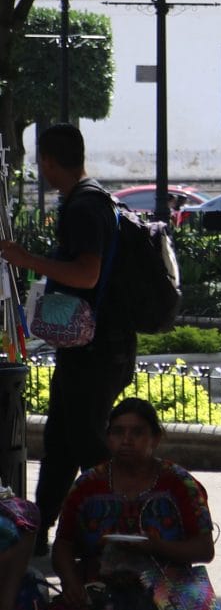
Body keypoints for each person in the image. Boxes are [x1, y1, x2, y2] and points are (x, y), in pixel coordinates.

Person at [0, 124, 134, 549]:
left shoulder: (83, 206)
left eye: (42, 162)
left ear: (49, 161)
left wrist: (28, 259)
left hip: (96, 348)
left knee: (84, 441)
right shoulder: (91, 197)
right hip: (92, 346)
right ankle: (39, 535)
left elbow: (86, 273)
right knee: (60, 441)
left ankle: (130, 520)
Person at [52, 398, 221, 610]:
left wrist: (158, 547)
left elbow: (204, 550)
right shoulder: (87, 485)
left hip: (163, 592)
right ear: (107, 437)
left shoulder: (180, 484)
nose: (126, 440)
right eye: (118, 432)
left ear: (155, 438)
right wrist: (71, 584)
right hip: (99, 587)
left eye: (137, 432)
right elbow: (64, 544)